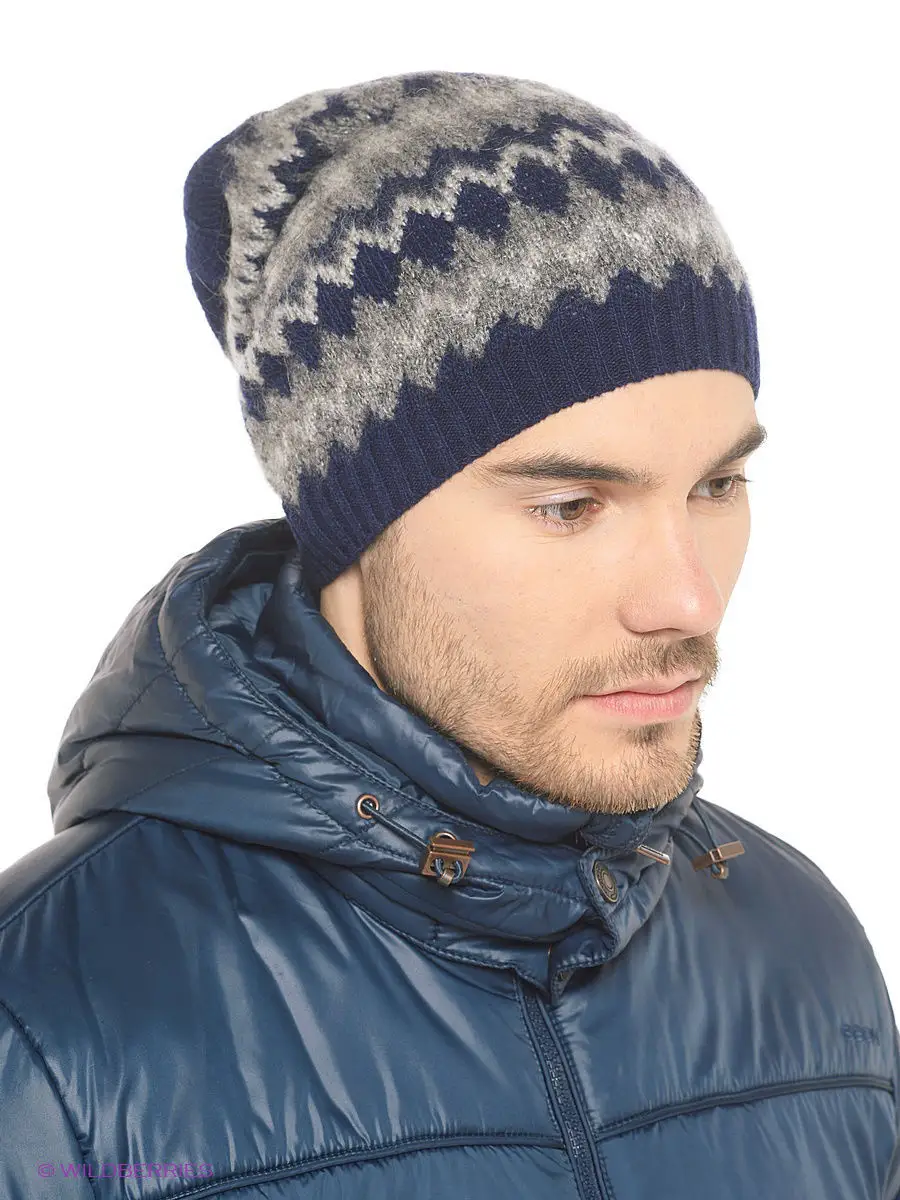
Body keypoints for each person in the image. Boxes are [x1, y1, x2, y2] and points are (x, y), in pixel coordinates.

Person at [1, 69, 897, 1199]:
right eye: (570, 506)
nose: (688, 601)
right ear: (356, 525)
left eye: (717, 486)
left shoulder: (802, 945)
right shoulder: (45, 1031)